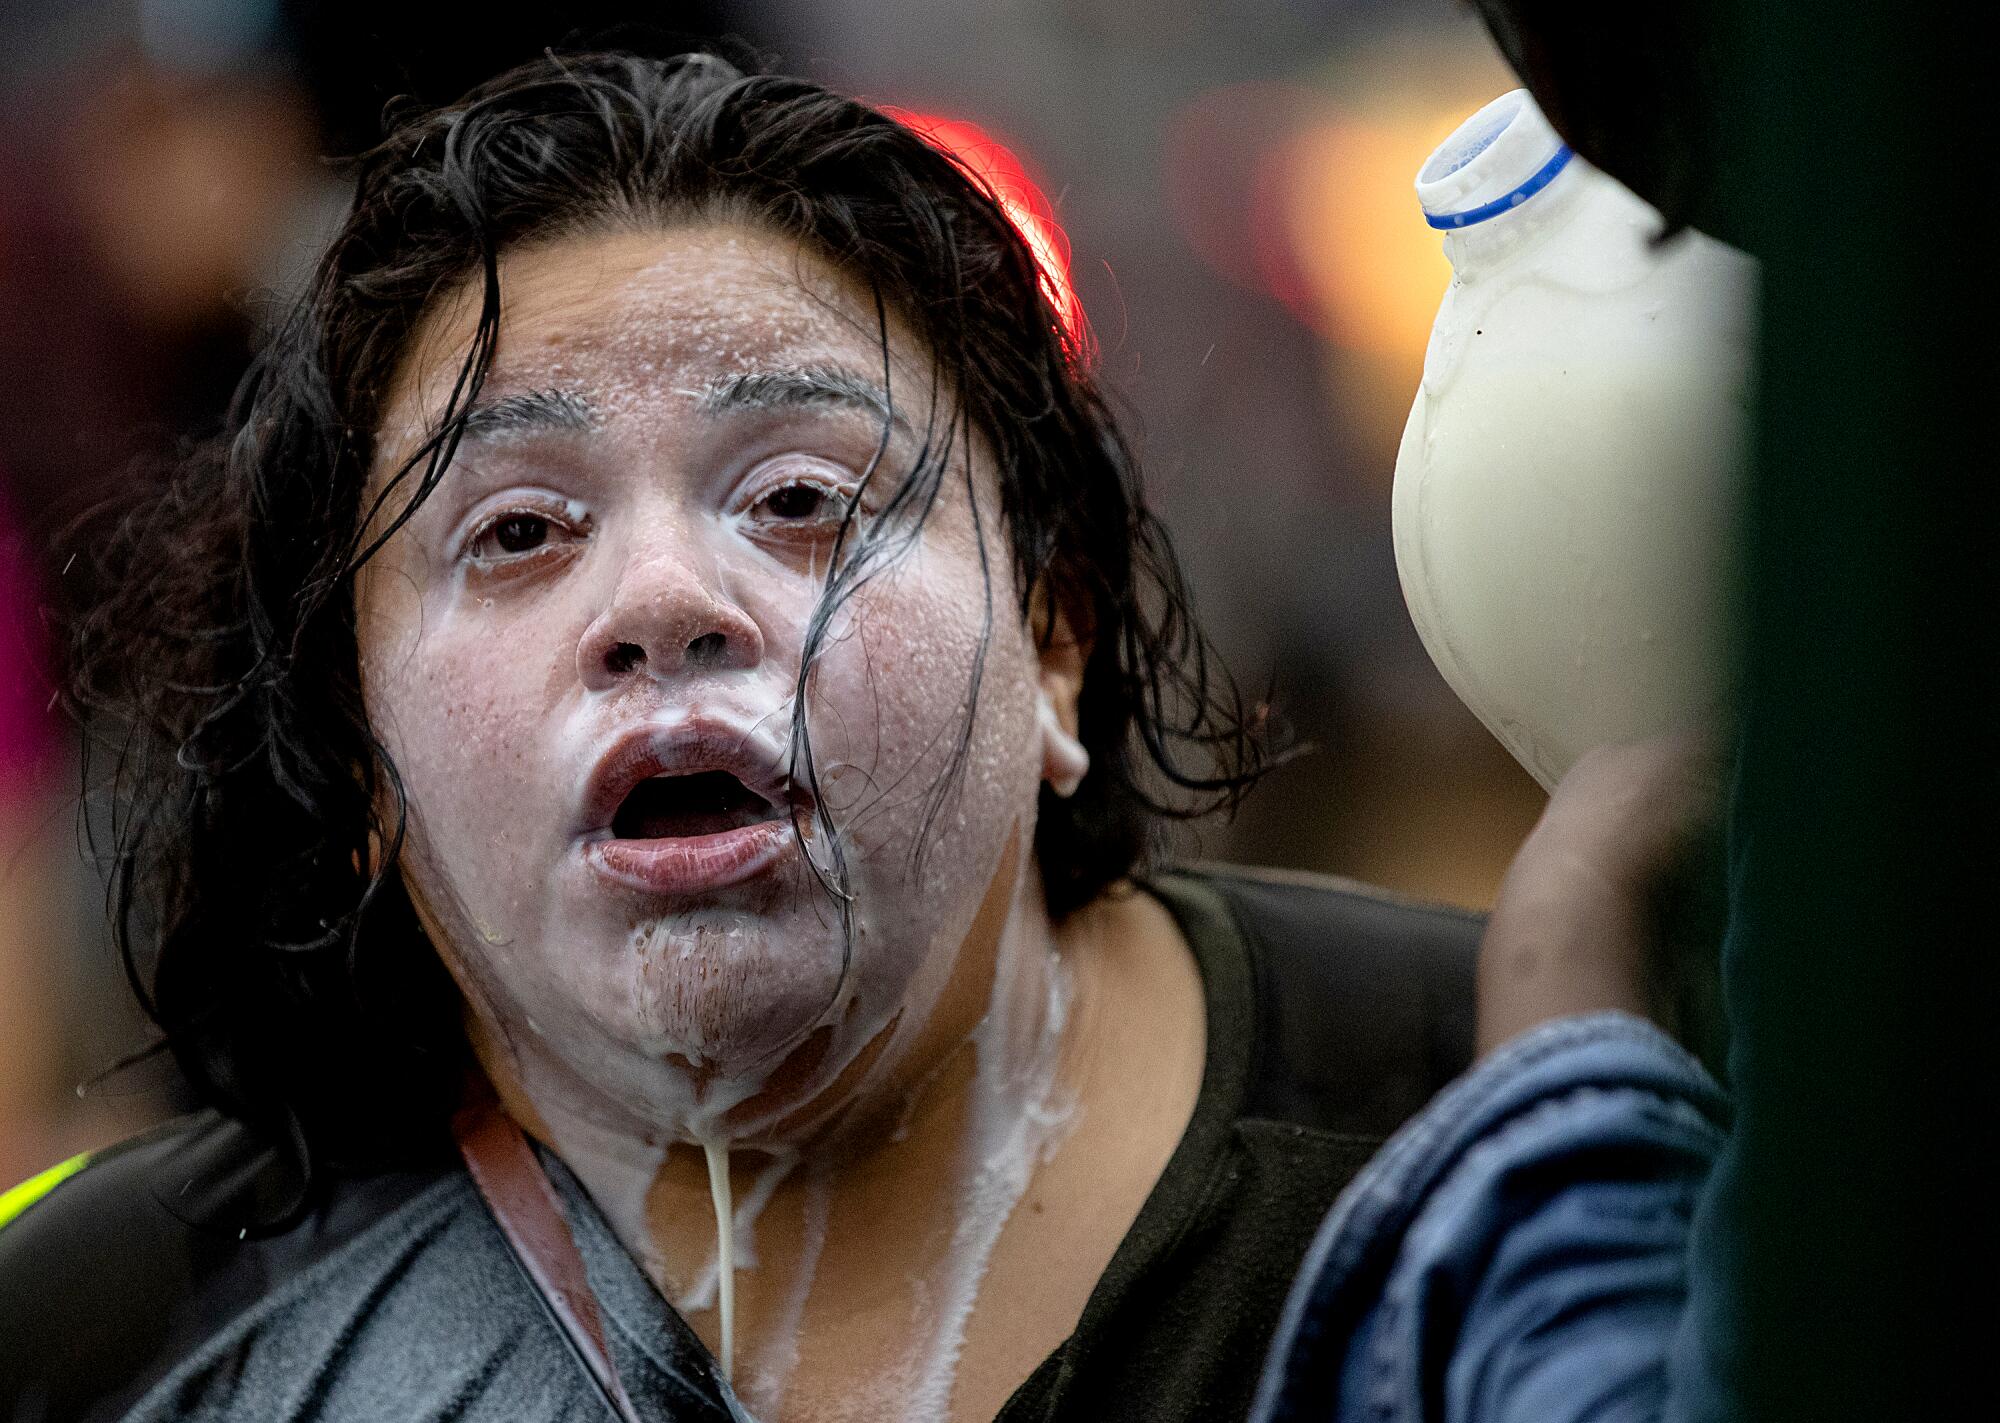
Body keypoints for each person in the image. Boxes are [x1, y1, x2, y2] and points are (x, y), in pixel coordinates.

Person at [0, 51, 1483, 1423]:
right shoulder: (117, 1350)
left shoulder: (1521, 1124)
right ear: (357, 742)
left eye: (797, 499)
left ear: (1053, 636)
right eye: (518, 528)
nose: (662, 603)